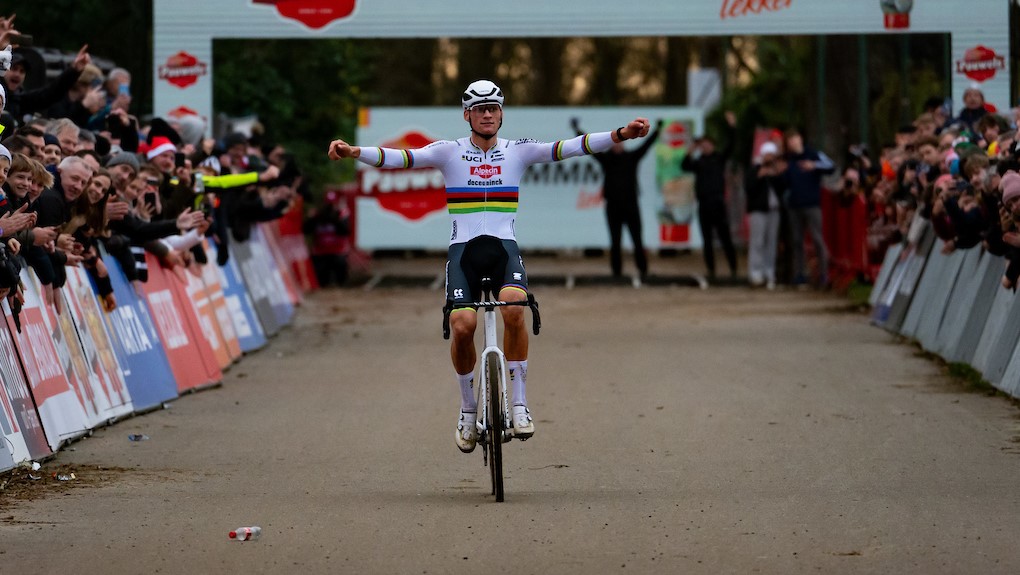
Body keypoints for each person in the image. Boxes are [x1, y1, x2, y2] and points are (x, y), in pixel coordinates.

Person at [327, 79, 651, 453]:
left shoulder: (518, 151)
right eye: (480, 109)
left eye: (493, 108)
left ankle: (518, 403)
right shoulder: (449, 151)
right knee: (462, 325)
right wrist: (354, 152)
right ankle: (467, 411)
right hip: (463, 251)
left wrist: (621, 134)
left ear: (501, 114)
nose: (487, 114)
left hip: (503, 249)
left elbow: (569, 148)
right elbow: (403, 158)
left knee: (515, 307)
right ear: (467, 114)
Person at [571, 117, 660, 282]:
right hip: (613, 206)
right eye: (617, 143)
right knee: (615, 240)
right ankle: (617, 273)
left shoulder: (631, 157)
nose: (619, 145)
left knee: (637, 239)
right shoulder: (607, 160)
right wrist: (577, 130)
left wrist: (658, 130)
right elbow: (590, 149)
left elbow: (646, 146)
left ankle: (643, 271)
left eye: (621, 143)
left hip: (631, 205)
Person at [681, 111, 738, 281]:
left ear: (712, 145)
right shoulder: (698, 163)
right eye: (703, 145)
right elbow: (684, 166)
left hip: (718, 202)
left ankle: (733, 269)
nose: (705, 147)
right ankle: (711, 270)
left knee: (725, 237)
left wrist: (732, 127)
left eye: (708, 144)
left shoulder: (719, 159)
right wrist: (690, 150)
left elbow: (731, 146)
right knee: (707, 240)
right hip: (704, 204)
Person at [782, 127, 836, 288]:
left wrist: (814, 166)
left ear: (800, 139)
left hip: (812, 204)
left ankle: (824, 274)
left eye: (794, 139)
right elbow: (784, 182)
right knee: (797, 241)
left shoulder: (813, 154)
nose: (793, 143)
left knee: (817, 238)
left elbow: (830, 166)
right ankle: (799, 274)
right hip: (795, 204)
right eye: (789, 141)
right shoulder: (788, 160)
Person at [745, 141, 785, 289]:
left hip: (774, 211)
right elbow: (749, 187)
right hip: (758, 210)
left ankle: (769, 272)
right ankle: (755, 273)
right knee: (757, 242)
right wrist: (759, 176)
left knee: (771, 242)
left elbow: (783, 187)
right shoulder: (754, 169)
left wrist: (777, 174)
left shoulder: (776, 171)